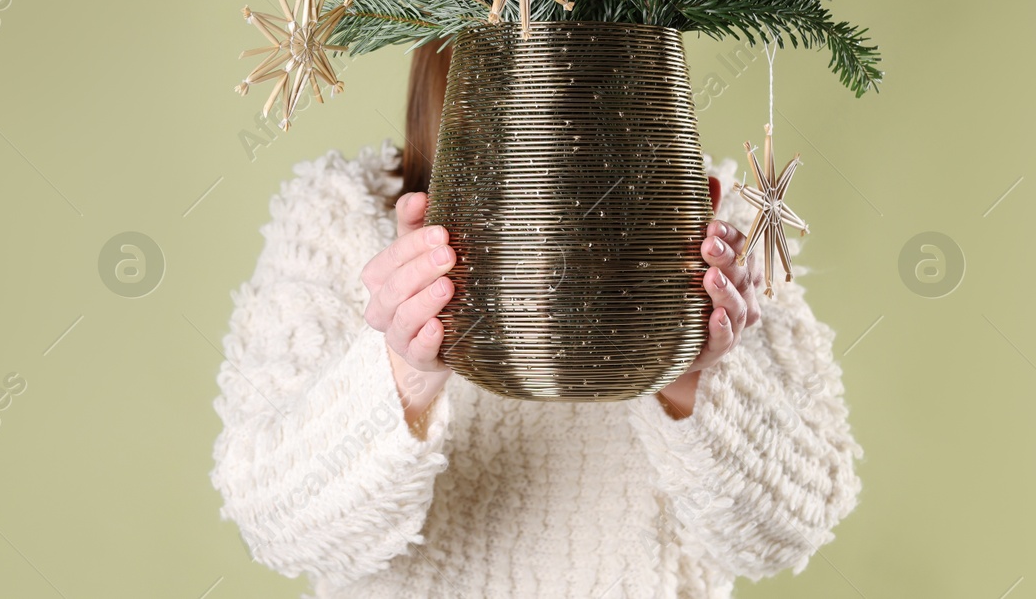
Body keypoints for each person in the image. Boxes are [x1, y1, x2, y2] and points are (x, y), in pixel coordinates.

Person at [209, 39, 862, 598]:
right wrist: (402, 376)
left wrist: (688, 376)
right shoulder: (340, 217)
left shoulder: (723, 242)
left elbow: (789, 528)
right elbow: (278, 523)